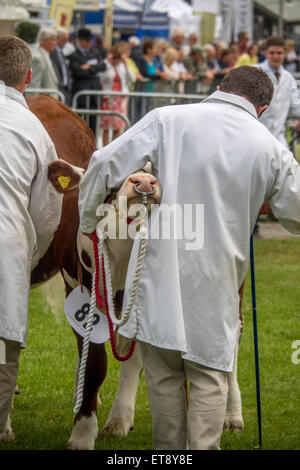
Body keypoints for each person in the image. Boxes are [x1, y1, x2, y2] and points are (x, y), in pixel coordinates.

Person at [78, 65, 300, 450]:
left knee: (163, 378)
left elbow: (101, 162)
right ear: (262, 108)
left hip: (159, 278)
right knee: (209, 378)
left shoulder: (167, 118)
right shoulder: (268, 146)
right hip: (216, 283)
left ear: (218, 88)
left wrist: (86, 220)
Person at [0, 36, 63, 441]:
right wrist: (29, 254)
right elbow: (47, 211)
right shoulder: (35, 130)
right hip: (7, 249)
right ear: (28, 76)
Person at [254, 36, 300, 148]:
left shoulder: (289, 78)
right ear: (265, 53)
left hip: (279, 139)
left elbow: (296, 105)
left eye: (279, 53)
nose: (275, 56)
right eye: (272, 52)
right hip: (255, 138)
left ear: (285, 53)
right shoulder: (254, 72)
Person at [69, 28, 106, 135]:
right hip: (81, 92)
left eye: (90, 40)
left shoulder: (95, 52)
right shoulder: (74, 55)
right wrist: (94, 69)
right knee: (80, 121)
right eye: (87, 40)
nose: (89, 43)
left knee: (93, 120)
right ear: (80, 40)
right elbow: (78, 71)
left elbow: (102, 66)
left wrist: (89, 67)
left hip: (94, 91)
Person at [99, 42, 136, 146]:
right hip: (108, 98)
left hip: (121, 99)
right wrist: (110, 66)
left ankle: (115, 148)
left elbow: (132, 78)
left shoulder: (124, 65)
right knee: (106, 127)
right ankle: (104, 148)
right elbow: (102, 79)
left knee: (118, 126)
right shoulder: (106, 63)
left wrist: (126, 64)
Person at [29, 28, 59, 94]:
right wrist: (35, 104)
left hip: (49, 101)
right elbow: (33, 87)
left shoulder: (46, 55)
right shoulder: (37, 58)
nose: (56, 43)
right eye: (53, 39)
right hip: (43, 102)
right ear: (45, 40)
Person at [50, 27, 72, 105]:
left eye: (67, 39)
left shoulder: (60, 52)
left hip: (65, 89)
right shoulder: (53, 52)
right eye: (64, 39)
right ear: (57, 39)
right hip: (58, 89)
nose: (66, 42)